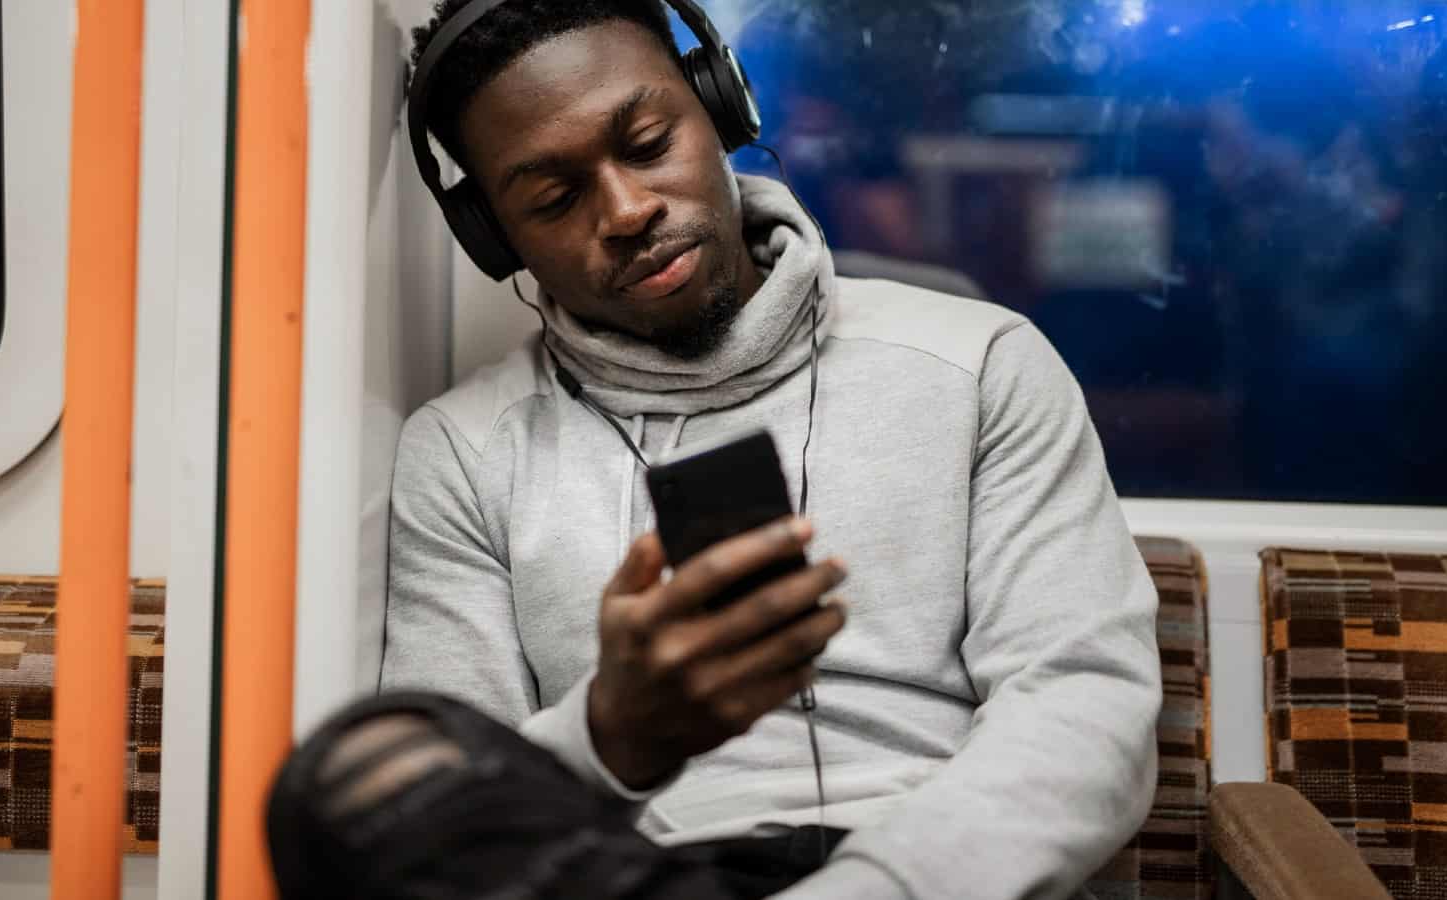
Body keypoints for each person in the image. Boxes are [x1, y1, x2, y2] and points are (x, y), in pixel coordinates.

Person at [270, 1, 1161, 897]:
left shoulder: (976, 364)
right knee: (329, 792)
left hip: (936, 874)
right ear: (495, 237)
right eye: (553, 198)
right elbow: (445, 816)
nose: (626, 211)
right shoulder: (463, 453)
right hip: (636, 877)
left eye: (650, 142)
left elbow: (1082, 710)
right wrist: (611, 735)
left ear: (721, 108)